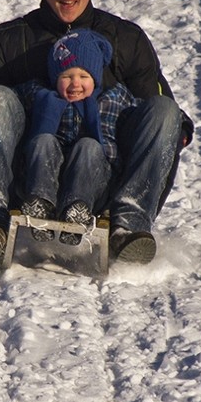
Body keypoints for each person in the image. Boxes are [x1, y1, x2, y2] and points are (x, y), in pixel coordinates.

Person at [0, 0, 192, 267]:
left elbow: (162, 125)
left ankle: (128, 226)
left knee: (168, 112)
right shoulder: (8, 41)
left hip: (103, 176)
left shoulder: (125, 39)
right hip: (28, 178)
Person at [15, 28, 138, 246]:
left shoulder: (114, 97)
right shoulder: (39, 94)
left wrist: (179, 123)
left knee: (89, 145)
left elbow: (145, 113)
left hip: (95, 183)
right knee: (43, 140)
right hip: (43, 176)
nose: (75, 84)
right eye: (66, 76)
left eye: (84, 76)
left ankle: (76, 211)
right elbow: (4, 98)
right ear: (55, 78)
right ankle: (40, 207)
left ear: (96, 77)